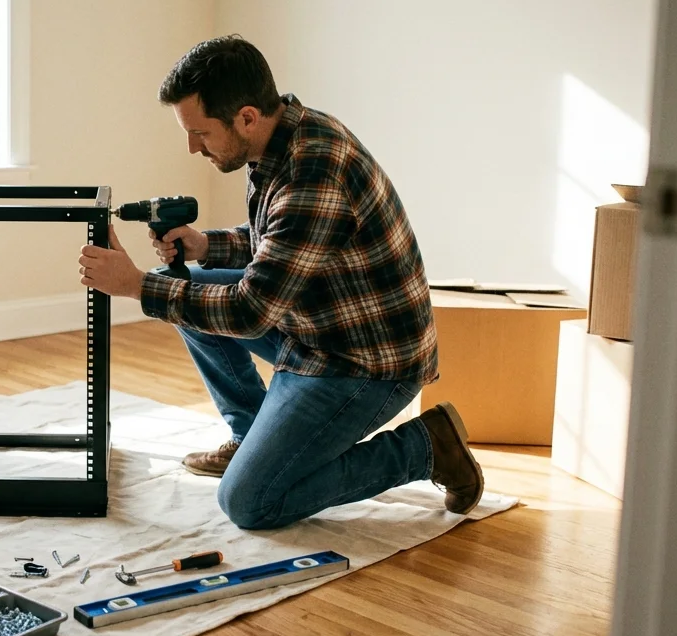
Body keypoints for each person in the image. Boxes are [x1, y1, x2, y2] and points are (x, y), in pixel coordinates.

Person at [77, 35, 484, 530]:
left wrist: (137, 286)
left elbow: (250, 313)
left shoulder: (313, 169)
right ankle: (253, 438)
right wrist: (206, 246)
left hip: (363, 362)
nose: (192, 146)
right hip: (317, 324)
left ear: (246, 117)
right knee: (192, 285)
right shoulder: (282, 139)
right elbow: (280, 241)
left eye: (200, 132)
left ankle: (425, 448)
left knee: (250, 502)